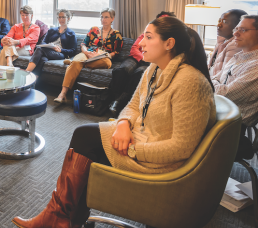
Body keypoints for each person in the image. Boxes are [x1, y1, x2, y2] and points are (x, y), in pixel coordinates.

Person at [12, 17, 216, 228]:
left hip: (159, 161)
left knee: (85, 143)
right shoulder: (153, 70)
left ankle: (62, 218)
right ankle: (64, 218)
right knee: (83, 136)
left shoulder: (190, 82)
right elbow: (133, 106)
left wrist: (134, 150)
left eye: (148, 37)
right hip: (141, 138)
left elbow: (182, 147)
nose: (140, 44)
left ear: (169, 43)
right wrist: (122, 125)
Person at [108, 11, 176, 116]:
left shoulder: (170, 40)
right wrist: (143, 57)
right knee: (121, 70)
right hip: (136, 58)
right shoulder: (146, 34)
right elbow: (135, 48)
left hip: (151, 62)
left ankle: (122, 102)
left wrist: (148, 59)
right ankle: (114, 100)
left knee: (139, 74)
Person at [54, 8, 123, 103]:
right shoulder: (94, 29)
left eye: (106, 17)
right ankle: (62, 94)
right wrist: (86, 52)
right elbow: (83, 44)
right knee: (78, 60)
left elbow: (116, 52)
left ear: (112, 19)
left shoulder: (117, 34)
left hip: (102, 57)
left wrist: (103, 55)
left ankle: (74, 62)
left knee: (107, 63)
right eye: (102, 17)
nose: (103, 19)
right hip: (88, 53)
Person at [212, 14, 258, 127]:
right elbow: (215, 78)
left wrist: (208, 82)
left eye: (243, 30)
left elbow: (223, 94)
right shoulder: (238, 56)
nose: (235, 33)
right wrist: (211, 82)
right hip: (215, 115)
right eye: (236, 29)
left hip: (228, 128)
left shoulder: (255, 66)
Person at [25, 9, 77, 77]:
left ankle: (26, 72)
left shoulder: (71, 33)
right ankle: (34, 81)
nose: (61, 19)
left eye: (63, 17)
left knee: (39, 49)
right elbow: (43, 42)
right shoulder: (52, 30)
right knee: (42, 59)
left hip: (60, 54)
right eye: (59, 17)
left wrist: (61, 50)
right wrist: (50, 46)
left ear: (68, 18)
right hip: (48, 51)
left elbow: (73, 50)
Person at [208, 9, 247, 77]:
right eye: (219, 21)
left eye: (225, 22)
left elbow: (225, 76)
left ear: (238, 26)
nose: (219, 25)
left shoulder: (235, 46)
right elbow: (213, 66)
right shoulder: (221, 41)